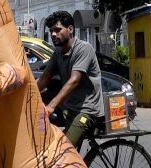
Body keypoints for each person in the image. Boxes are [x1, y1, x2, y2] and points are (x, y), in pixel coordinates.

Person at [36, 11, 105, 151]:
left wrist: (51, 106)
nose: (54, 34)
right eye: (51, 31)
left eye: (58, 30)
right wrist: (26, 95)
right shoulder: (58, 53)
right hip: (70, 109)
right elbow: (44, 79)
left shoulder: (84, 48)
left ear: (71, 29)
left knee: (63, 151)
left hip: (87, 111)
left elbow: (74, 80)